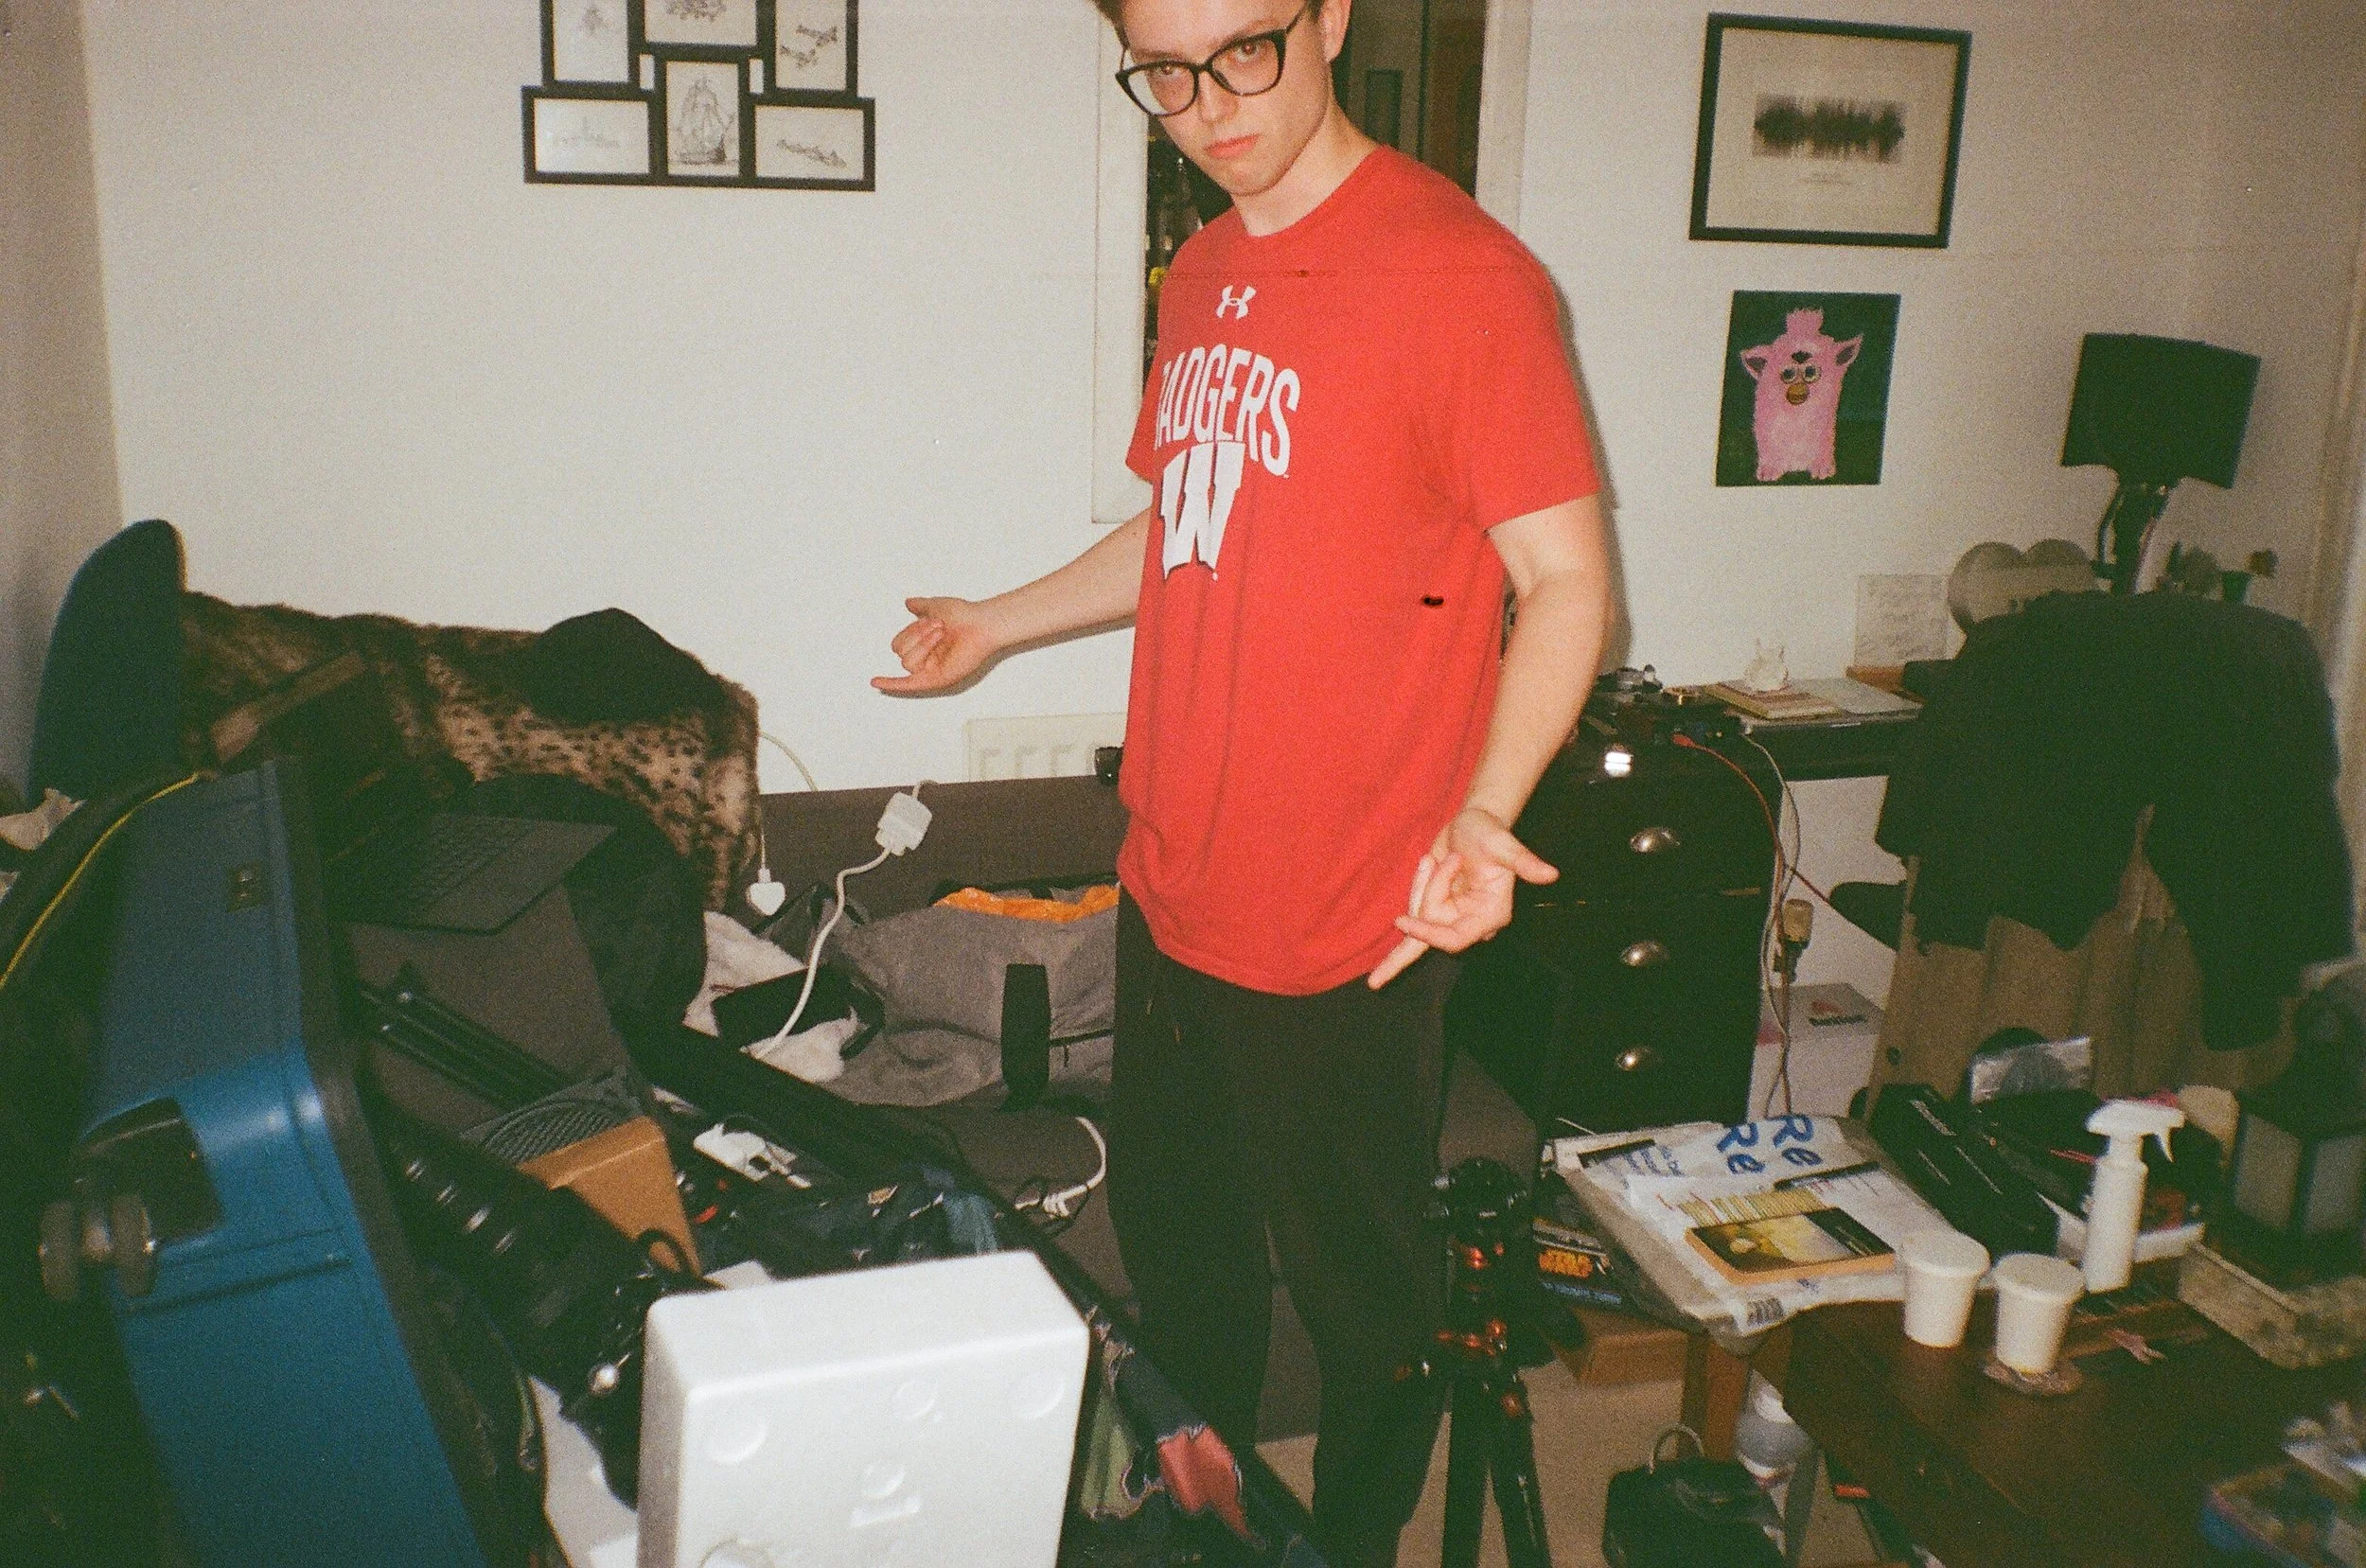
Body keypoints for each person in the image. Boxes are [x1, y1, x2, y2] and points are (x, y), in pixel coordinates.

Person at [875, 0, 1610, 1559]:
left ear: (1331, 12)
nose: (1206, 105)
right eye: (1160, 71)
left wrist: (1485, 809)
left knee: (1368, 1305)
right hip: (1172, 879)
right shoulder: (1203, 272)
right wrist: (993, 626)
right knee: (1184, 1267)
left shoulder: (1464, 279)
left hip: (1348, 911)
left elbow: (1567, 583)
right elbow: (1184, 521)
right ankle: (1214, 1539)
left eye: (1245, 51)